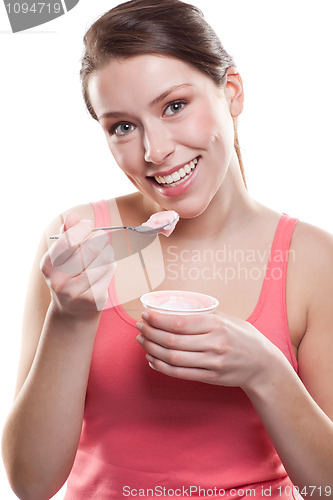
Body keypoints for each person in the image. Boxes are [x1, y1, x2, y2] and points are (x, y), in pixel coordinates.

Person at [2, 0, 333, 498]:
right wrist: (70, 318)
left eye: (174, 106)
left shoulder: (313, 261)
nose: (155, 151)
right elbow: (30, 484)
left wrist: (266, 372)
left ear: (232, 92)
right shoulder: (78, 243)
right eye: (123, 127)